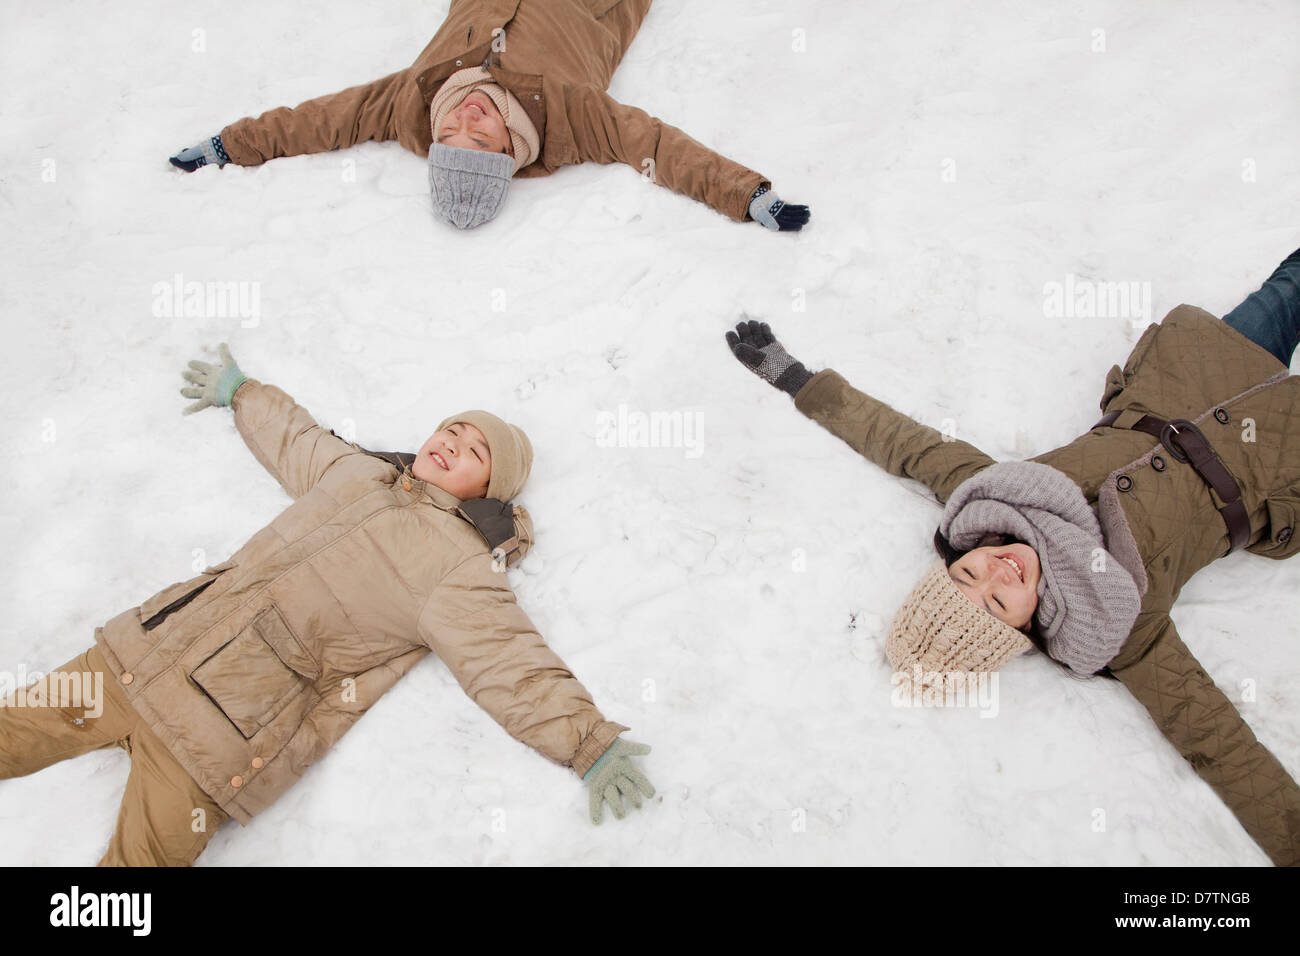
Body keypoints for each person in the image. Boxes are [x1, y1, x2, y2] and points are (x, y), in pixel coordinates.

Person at [725, 248, 1300, 866]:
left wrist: (798, 380)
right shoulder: (1116, 625)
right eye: (998, 599)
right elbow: (1217, 740)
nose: (999, 570)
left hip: (1201, 371)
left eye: (970, 572)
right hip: (1277, 460)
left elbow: (906, 445)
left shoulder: (996, 499)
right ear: (1023, 628)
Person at [0, 343, 654, 865]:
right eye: (451, 429)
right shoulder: (357, 471)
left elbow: (508, 661)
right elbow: (295, 438)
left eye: (475, 450)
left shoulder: (458, 568)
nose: (453, 442)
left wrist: (588, 744)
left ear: (490, 489)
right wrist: (243, 392)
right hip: (136, 660)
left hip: (211, 744)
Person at [169, 0, 810, 232]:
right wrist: (748, 195)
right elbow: (662, 147)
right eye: (480, 134)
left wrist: (230, 145)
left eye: (454, 133)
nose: (466, 116)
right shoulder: (572, 121)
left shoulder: (412, 104)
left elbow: (318, 121)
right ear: (507, 153)